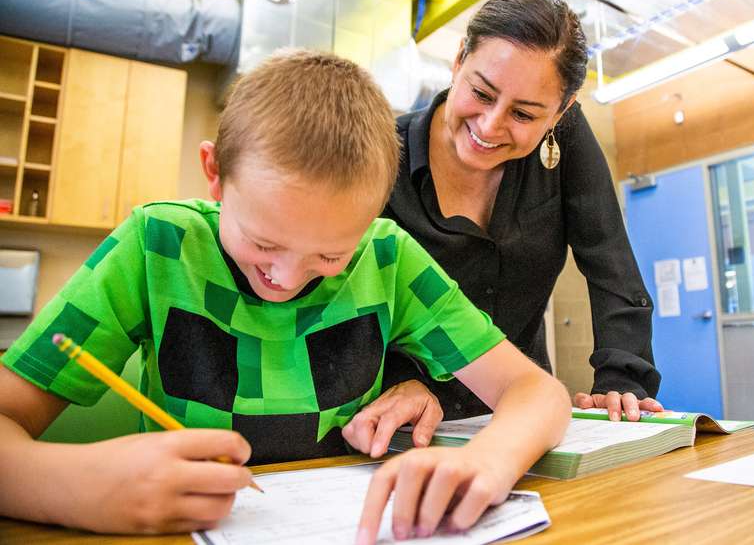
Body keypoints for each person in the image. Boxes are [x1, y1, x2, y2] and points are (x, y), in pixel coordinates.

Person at [0, 49, 570, 542]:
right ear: (216, 173)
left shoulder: (388, 258)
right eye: (263, 241)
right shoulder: (158, 245)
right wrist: (69, 487)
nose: (287, 278)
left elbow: (536, 392)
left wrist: (487, 462)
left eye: (329, 256)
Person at [382, 0, 664, 423]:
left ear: (561, 112)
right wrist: (397, 378)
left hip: (521, 411)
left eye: (524, 115)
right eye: (481, 92)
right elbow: (351, 298)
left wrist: (622, 377)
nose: (490, 126)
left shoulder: (566, 141)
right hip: (408, 412)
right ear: (459, 60)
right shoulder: (384, 155)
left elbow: (610, 262)